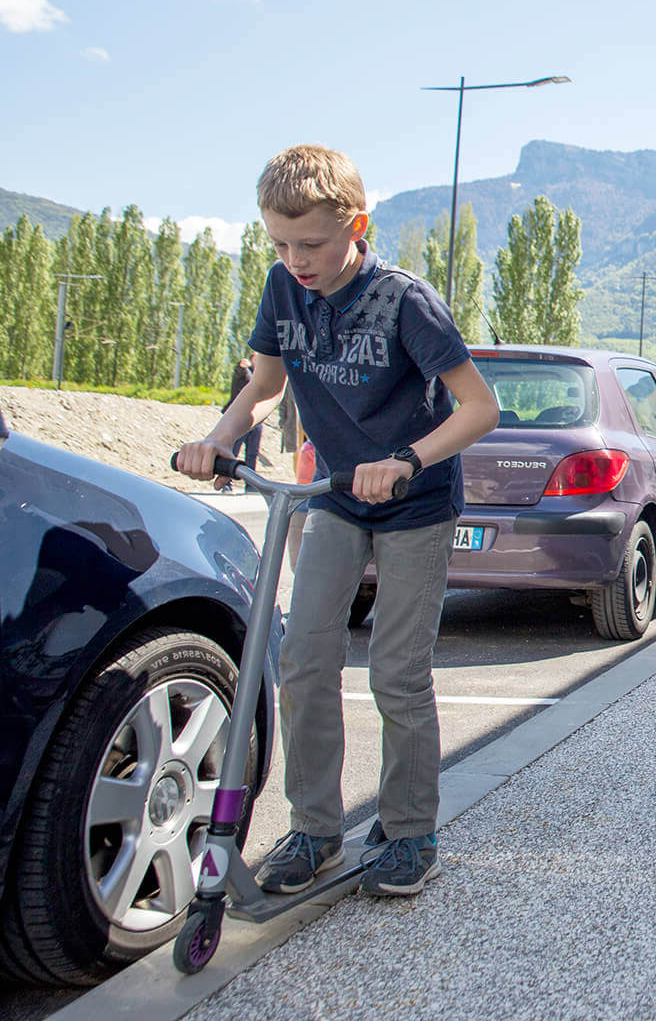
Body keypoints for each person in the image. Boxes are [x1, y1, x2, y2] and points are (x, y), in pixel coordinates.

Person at [175, 144, 499, 897]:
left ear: (356, 224)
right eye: (280, 244)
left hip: (413, 501)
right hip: (331, 495)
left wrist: (408, 461)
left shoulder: (404, 300)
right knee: (305, 659)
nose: (296, 260)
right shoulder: (282, 288)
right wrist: (219, 438)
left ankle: (411, 832)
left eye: (312, 244)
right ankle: (315, 829)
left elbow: (478, 408)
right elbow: (264, 381)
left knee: (395, 670)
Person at [225, 358, 263, 484]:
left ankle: (251, 484)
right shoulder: (245, 372)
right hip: (240, 418)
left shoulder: (262, 374)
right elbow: (239, 372)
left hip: (256, 419)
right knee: (233, 451)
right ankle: (226, 483)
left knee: (252, 454)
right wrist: (241, 366)